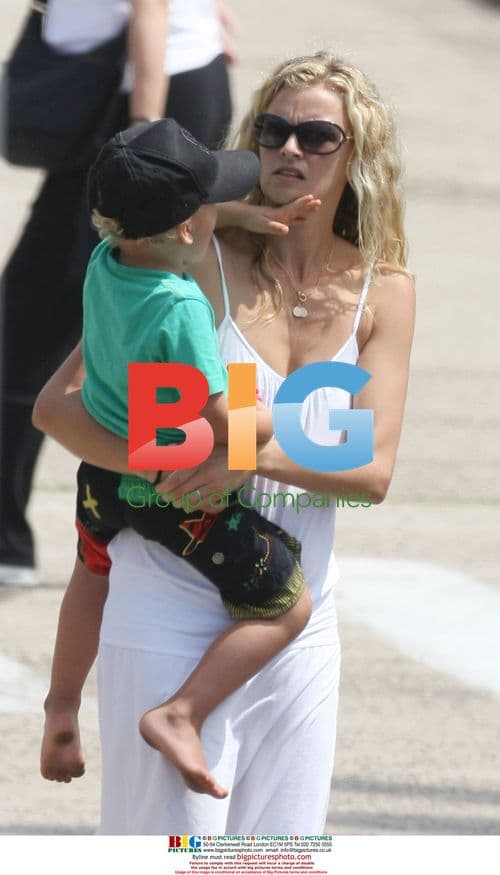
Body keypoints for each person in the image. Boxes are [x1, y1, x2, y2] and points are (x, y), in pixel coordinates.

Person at [33, 51, 415, 833]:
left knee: (274, 855)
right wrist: (163, 457)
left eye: (317, 135)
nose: (290, 150)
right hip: (165, 602)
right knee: (166, 853)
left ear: (359, 155)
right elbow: (58, 409)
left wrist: (239, 456)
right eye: (273, 129)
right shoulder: (187, 256)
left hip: (296, 621)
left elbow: (371, 471)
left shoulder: (387, 290)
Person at [39, 116, 316, 796]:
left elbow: (160, 234)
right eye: (212, 202)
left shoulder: (109, 260)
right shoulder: (181, 308)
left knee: (91, 569)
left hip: (100, 476)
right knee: (287, 600)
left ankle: (62, 702)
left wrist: (231, 214)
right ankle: (180, 711)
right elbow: (220, 417)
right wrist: (278, 418)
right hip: (164, 484)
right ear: (191, 228)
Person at [0, 0, 235, 585]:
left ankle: (185, 506)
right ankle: (170, 508)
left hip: (139, 106)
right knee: (90, 307)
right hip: (139, 95)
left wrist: (141, 140)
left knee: (39, 323)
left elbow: (150, 8)